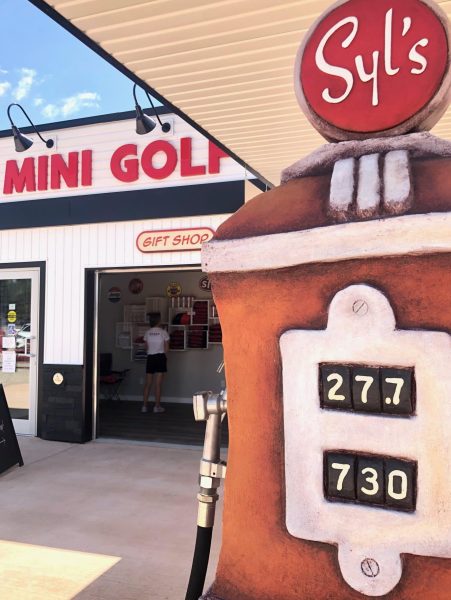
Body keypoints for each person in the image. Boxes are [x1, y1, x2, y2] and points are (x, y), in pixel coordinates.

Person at [142, 312, 169, 414]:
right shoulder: (163, 332)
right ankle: (156, 407)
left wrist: (152, 350)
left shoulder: (147, 333)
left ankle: (144, 406)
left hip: (150, 357)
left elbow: (146, 347)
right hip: (160, 357)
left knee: (148, 383)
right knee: (158, 384)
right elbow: (166, 349)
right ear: (159, 321)